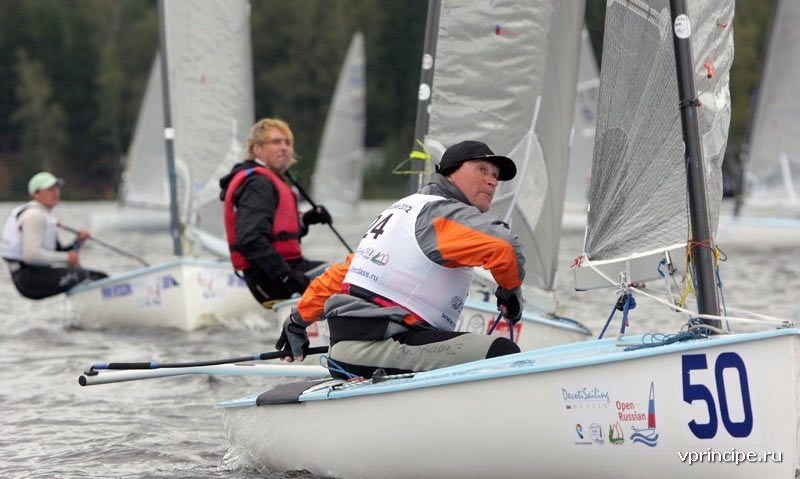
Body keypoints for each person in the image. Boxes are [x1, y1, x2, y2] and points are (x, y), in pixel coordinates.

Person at [276, 140, 526, 379]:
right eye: (482, 170)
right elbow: (505, 246)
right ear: (451, 173)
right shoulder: (441, 214)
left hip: (354, 348)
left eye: (495, 176)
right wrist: (510, 290)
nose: (492, 181)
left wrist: (297, 321)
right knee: (501, 352)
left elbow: (342, 276)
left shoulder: (406, 208)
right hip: (376, 346)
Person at [219, 118, 332, 308]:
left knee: (344, 274)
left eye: (288, 142)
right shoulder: (258, 184)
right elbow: (251, 239)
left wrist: (306, 219)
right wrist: (287, 277)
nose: (284, 148)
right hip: (271, 277)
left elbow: (277, 230)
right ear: (257, 149)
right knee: (347, 279)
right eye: (276, 142)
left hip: (283, 270)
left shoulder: (270, 180)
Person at [1, 171, 108, 300]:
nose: (55, 192)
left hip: (36, 274)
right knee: (95, 277)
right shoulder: (34, 215)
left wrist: (78, 242)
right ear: (36, 194)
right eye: (50, 189)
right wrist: (67, 257)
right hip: (28, 279)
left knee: (93, 277)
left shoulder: (45, 216)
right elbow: (31, 256)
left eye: (57, 188)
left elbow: (59, 253)